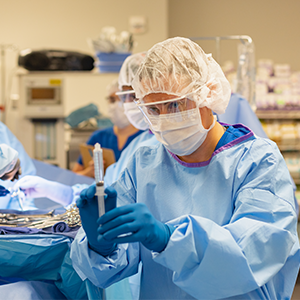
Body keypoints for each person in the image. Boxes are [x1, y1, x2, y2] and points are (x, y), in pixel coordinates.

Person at [70, 37, 300, 300]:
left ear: (207, 94)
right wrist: (100, 244)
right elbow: (111, 269)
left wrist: (169, 238)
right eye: (153, 109)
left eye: (175, 105)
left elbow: (253, 253)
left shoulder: (257, 160)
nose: (165, 118)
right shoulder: (143, 162)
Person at [72, 79, 144, 177]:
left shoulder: (145, 138)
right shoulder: (99, 137)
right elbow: (73, 176)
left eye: (122, 99)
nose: (115, 106)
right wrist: (89, 172)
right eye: (112, 100)